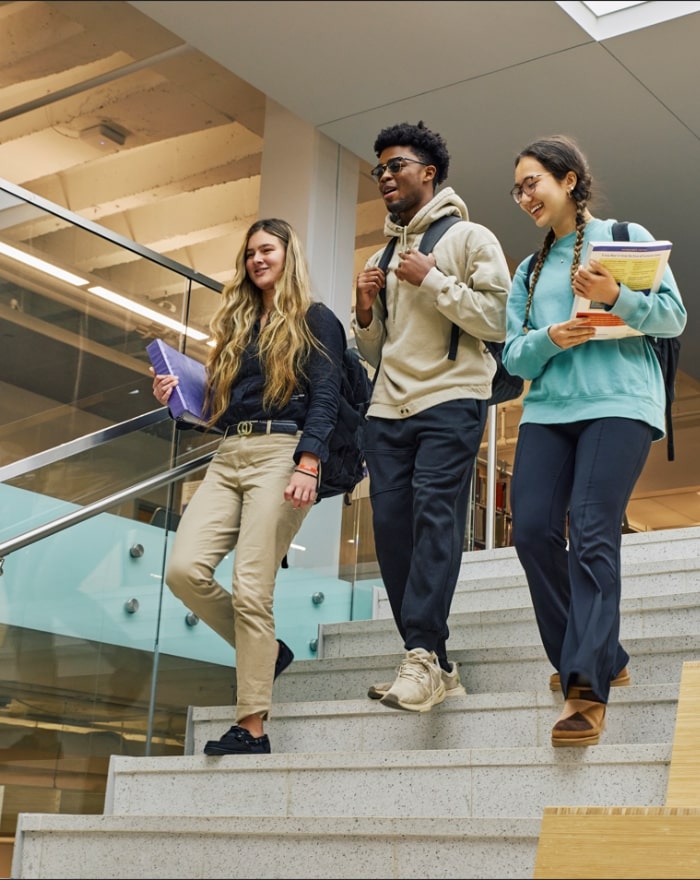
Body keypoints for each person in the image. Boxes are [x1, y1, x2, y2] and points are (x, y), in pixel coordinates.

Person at [501, 135, 686, 747]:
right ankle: (603, 650)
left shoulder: (625, 238)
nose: (524, 195)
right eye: (518, 187)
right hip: (549, 411)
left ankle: (584, 686)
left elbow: (673, 317)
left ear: (569, 181)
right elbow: (515, 358)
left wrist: (615, 297)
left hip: (620, 403)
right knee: (530, 531)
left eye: (533, 182)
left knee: (591, 525)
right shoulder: (527, 272)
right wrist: (554, 335)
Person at [151, 218, 344, 754]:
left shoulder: (315, 318)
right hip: (229, 452)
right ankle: (267, 653)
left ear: (288, 255)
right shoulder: (239, 326)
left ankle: (252, 727)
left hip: (282, 454)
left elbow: (326, 395)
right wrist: (177, 397)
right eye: (251, 252)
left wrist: (309, 463)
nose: (258, 259)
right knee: (183, 569)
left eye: (268, 249)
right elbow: (219, 409)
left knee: (252, 588)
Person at [353, 121, 511, 712]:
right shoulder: (381, 253)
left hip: (450, 400)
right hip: (387, 409)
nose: (386, 177)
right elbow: (373, 351)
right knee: (393, 534)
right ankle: (434, 660)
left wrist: (435, 279)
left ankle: (420, 653)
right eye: (380, 170)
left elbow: (498, 321)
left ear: (430, 172)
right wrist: (365, 312)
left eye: (397, 166)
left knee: (435, 521)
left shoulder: (471, 238)